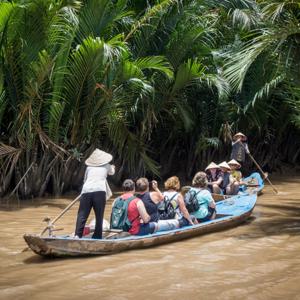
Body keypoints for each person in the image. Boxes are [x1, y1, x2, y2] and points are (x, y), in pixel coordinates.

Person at [74, 149, 115, 239]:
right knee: (99, 215)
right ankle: (97, 236)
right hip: (99, 192)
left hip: (86, 191)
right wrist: (113, 167)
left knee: (82, 215)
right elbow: (112, 172)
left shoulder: (89, 168)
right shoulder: (107, 166)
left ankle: (77, 235)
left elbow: (85, 180)